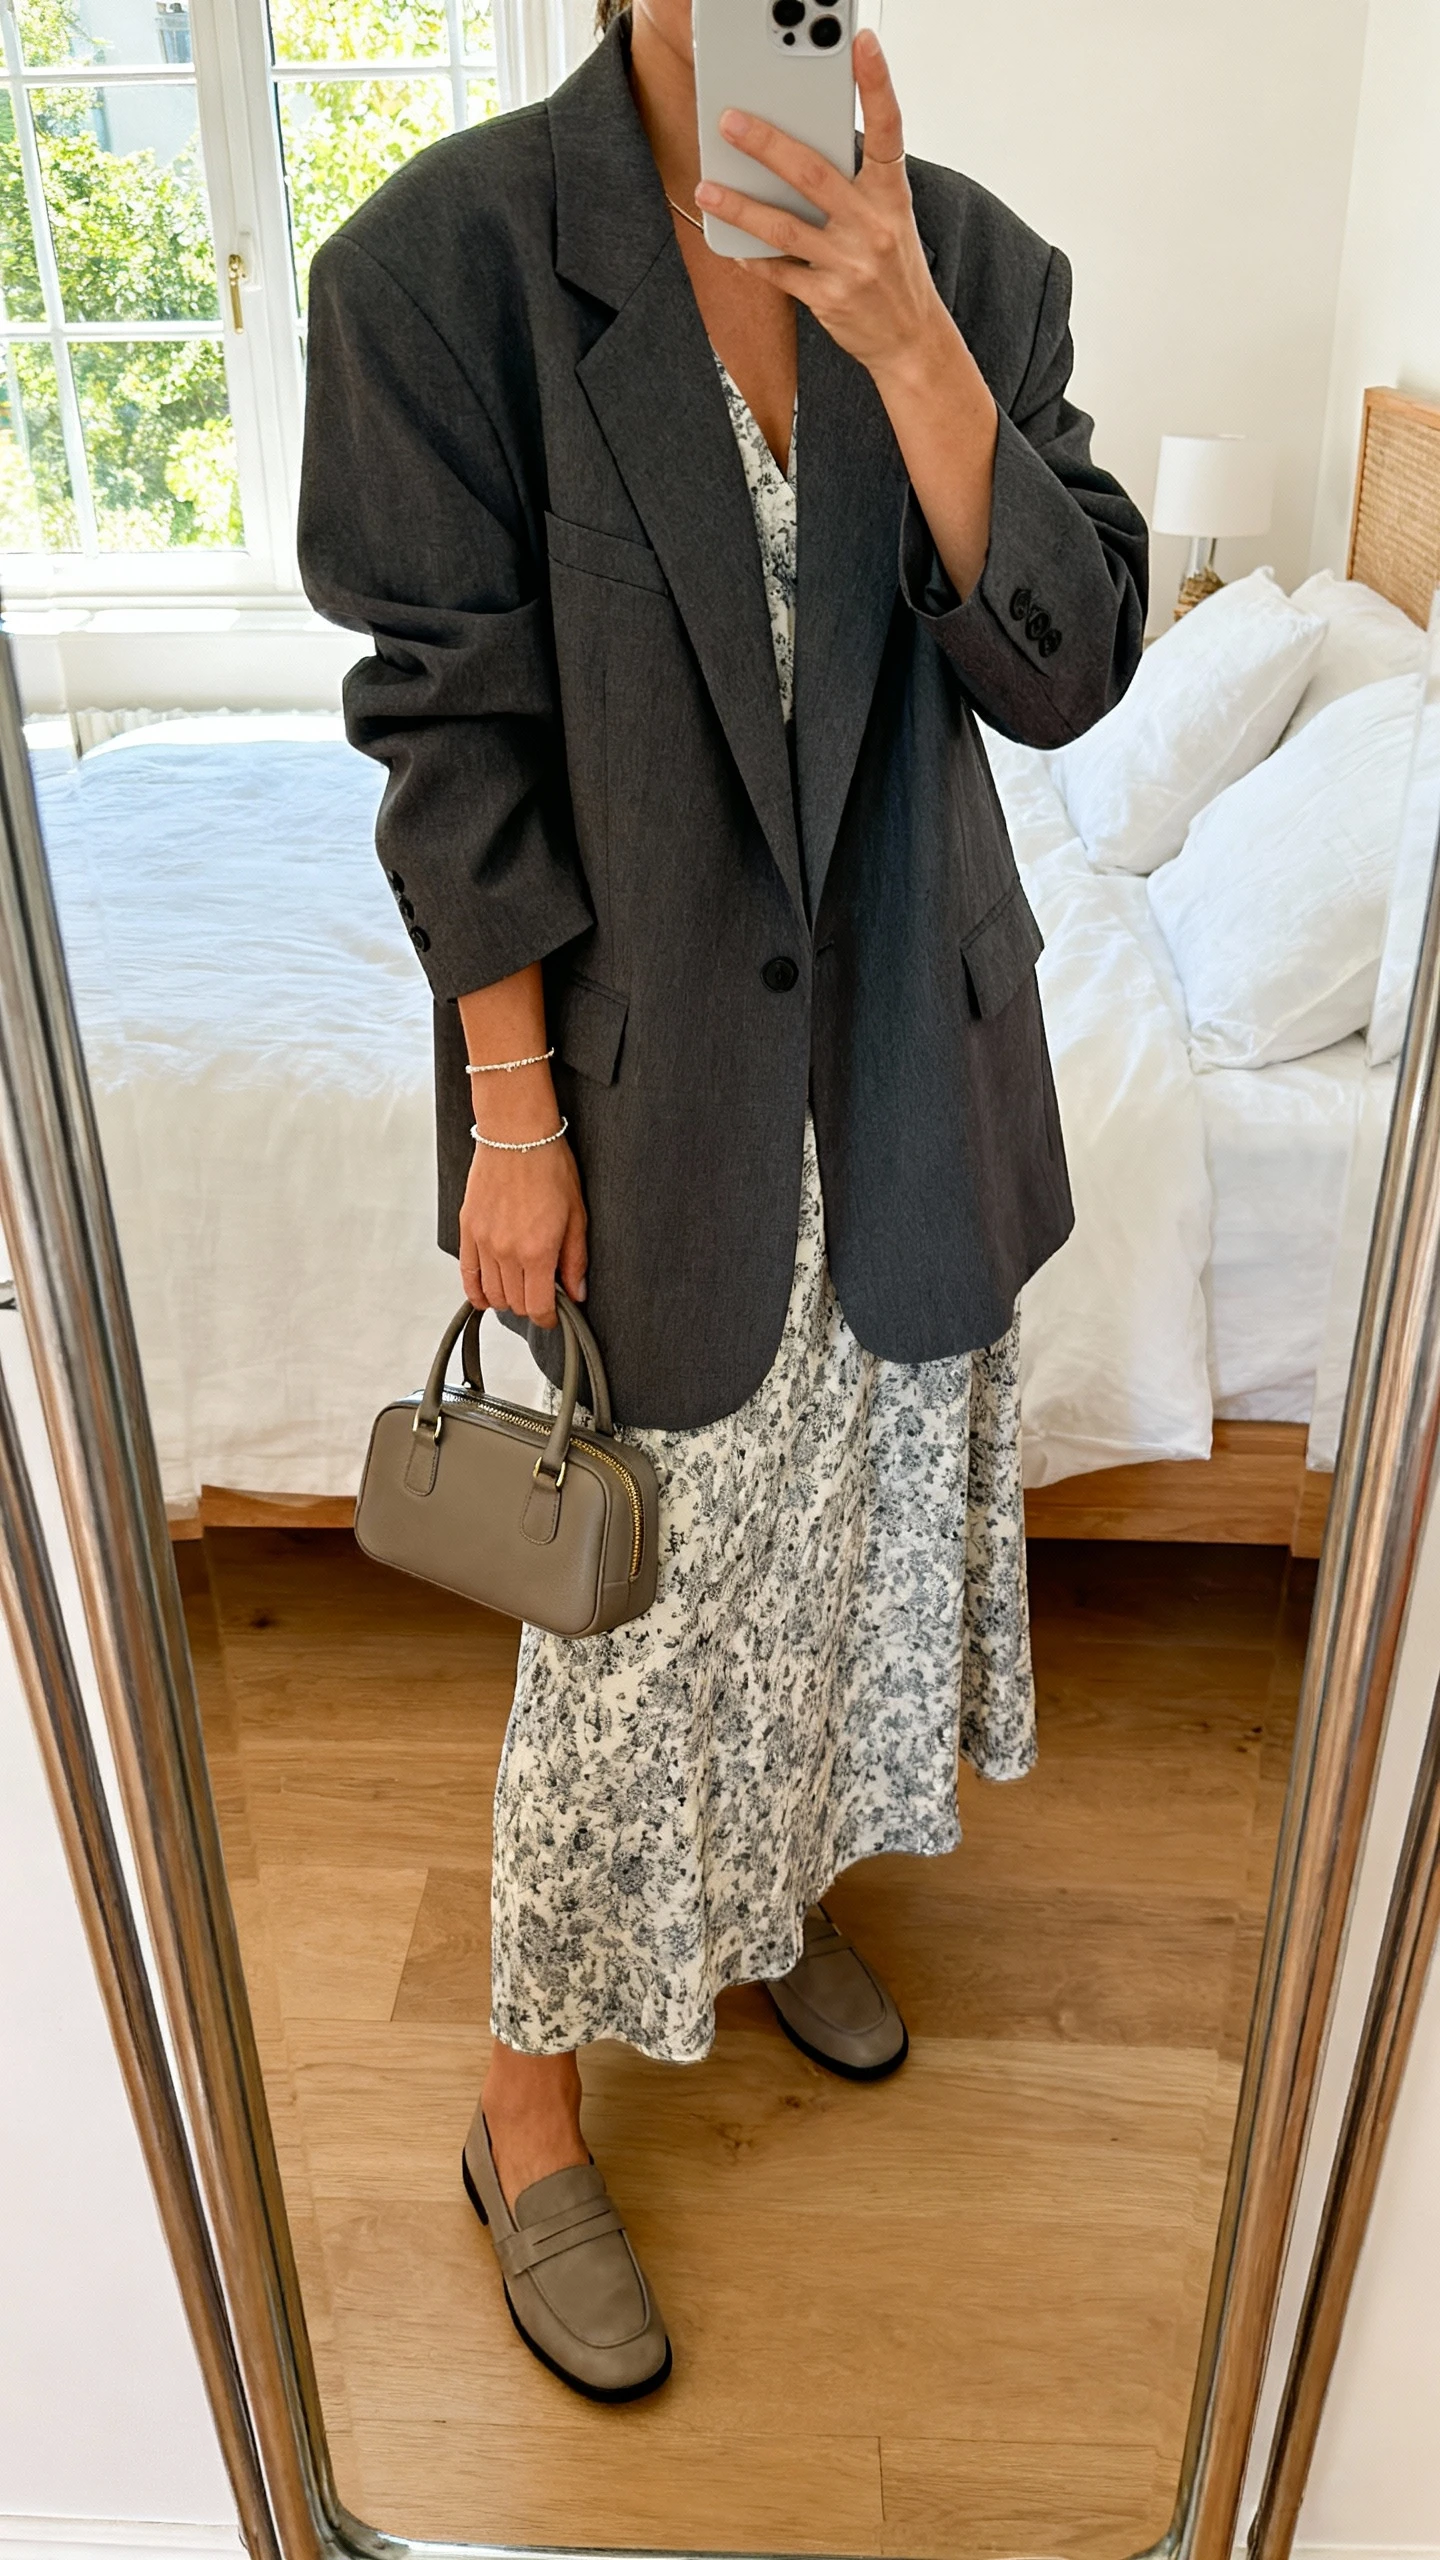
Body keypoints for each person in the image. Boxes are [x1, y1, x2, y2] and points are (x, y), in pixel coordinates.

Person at [298, 0, 1147, 2406]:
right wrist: (513, 1115)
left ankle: (771, 1907)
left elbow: (1071, 668)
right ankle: (522, 2109)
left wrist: (902, 327)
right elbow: (447, 738)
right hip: (636, 1092)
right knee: (629, 1631)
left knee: (850, 1556)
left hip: (902, 1071)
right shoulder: (440, 266)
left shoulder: (972, 259)